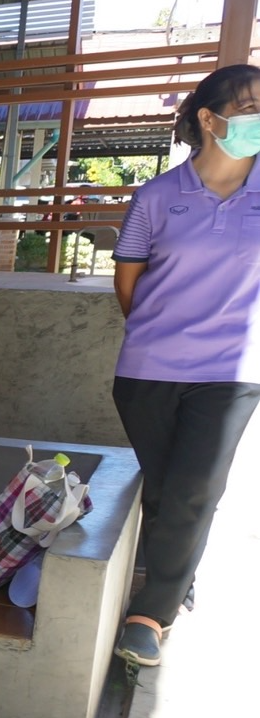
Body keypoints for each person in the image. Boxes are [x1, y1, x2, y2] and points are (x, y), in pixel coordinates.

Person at [110, 64, 260, 666]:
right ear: (209, 117)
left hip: (232, 370)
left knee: (198, 488)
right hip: (149, 368)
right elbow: (128, 282)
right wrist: (159, 331)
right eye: (250, 107)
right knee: (171, 489)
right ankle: (177, 570)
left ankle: (150, 615)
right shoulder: (157, 197)